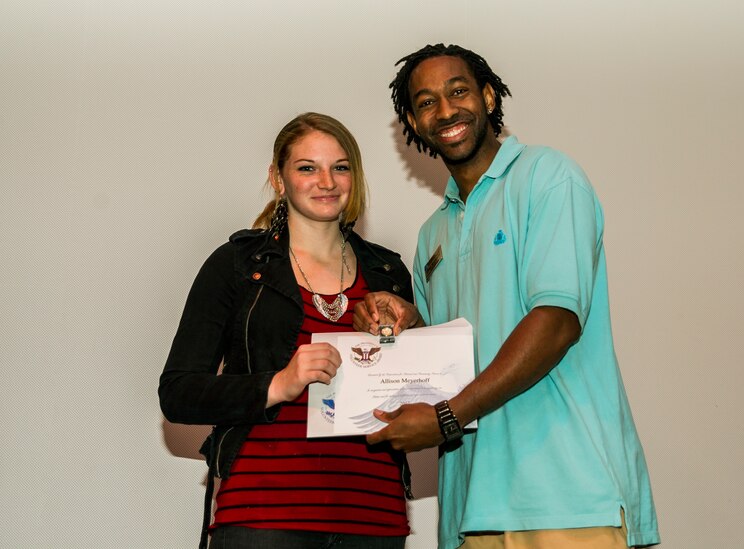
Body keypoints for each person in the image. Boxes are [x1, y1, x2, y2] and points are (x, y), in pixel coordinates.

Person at [352, 44, 660, 549]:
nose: (446, 111)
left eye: (458, 91)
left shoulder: (549, 177)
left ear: (488, 96)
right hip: (472, 509)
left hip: (568, 495)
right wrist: (407, 323)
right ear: (412, 119)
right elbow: (442, 364)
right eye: (427, 102)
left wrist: (446, 417)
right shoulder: (433, 235)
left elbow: (557, 321)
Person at [159, 112, 413, 549]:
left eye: (340, 167)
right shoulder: (237, 266)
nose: (327, 181)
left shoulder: (388, 272)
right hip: (265, 516)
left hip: (375, 517)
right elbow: (178, 392)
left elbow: (417, 392)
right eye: (307, 167)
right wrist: (278, 384)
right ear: (278, 179)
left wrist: (413, 329)